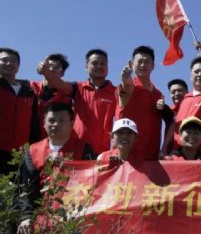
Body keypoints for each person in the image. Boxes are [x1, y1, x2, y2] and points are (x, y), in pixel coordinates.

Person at [17, 103, 95, 234]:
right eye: (51, 120)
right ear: (44, 123)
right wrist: (26, 217)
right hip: (40, 221)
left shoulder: (84, 149)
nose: (55, 124)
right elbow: (27, 189)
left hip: (74, 220)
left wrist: (68, 165)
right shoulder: (32, 151)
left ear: (72, 123)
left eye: (61, 121)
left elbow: (92, 185)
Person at [41, 49, 117, 155]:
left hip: (104, 151)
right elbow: (60, 84)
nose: (99, 66)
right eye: (95, 63)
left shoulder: (116, 92)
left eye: (103, 63)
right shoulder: (78, 88)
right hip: (77, 148)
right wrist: (47, 72)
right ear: (86, 67)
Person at [163, 56, 201, 159]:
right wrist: (164, 149)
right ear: (190, 75)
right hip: (178, 159)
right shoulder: (184, 98)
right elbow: (175, 125)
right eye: (196, 71)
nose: (200, 74)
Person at [115, 46, 164, 160]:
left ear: (153, 66)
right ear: (132, 64)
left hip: (151, 158)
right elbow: (127, 88)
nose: (143, 65)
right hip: (127, 157)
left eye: (147, 62)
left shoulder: (159, 95)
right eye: (139, 61)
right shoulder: (128, 87)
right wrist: (126, 79)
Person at [0, 47, 39, 175]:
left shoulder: (28, 92)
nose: (9, 63)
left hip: (20, 152)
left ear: (18, 66)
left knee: (17, 185)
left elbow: (34, 122)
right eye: (4, 60)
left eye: (13, 61)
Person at [32, 53, 75, 137]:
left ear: (62, 73)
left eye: (56, 67)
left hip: (55, 141)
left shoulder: (68, 97)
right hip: (27, 141)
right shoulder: (29, 88)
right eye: (49, 66)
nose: (51, 69)